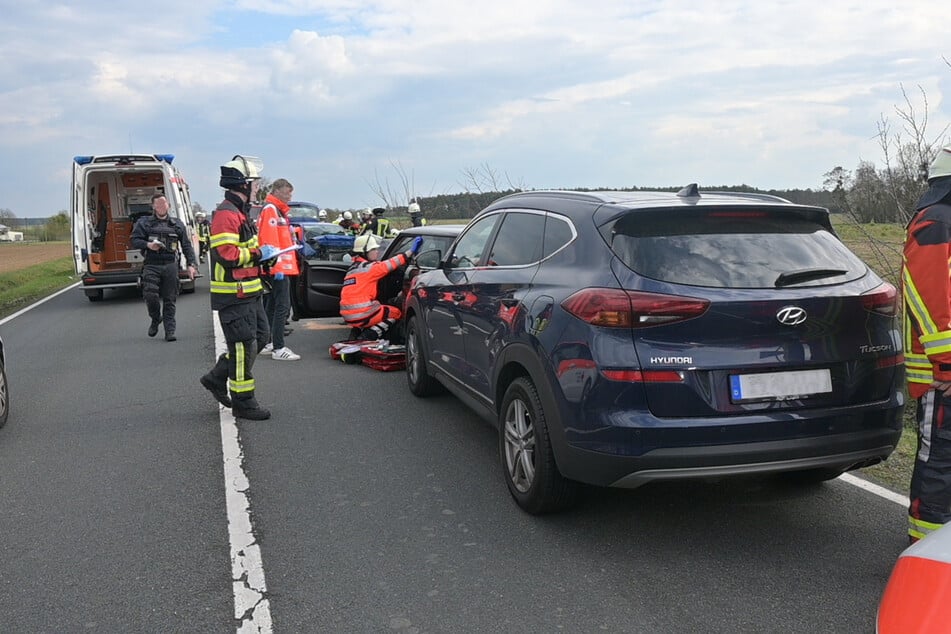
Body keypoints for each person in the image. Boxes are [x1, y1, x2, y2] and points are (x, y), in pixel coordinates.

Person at [199, 155, 277, 421]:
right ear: (242, 184)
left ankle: (216, 377)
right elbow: (226, 253)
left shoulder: (240, 212)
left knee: (260, 338)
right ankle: (243, 402)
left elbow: (243, 249)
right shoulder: (226, 214)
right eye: (254, 182)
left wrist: (266, 259)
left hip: (250, 291)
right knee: (244, 346)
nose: (257, 186)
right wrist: (257, 254)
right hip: (233, 295)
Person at [902, 144, 951, 543]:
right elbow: (928, 296)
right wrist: (947, 364)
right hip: (943, 376)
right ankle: (927, 554)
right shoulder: (936, 222)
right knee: (941, 462)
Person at [130, 193, 198, 342]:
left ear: (169, 205)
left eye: (164, 204)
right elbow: (134, 240)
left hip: (170, 265)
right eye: (158, 204)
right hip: (151, 264)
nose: (161, 207)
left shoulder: (177, 224)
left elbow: (186, 245)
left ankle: (170, 331)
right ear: (153, 206)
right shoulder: (144, 223)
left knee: (170, 299)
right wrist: (148, 245)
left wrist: (192, 265)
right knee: (150, 295)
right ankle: (155, 318)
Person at [340, 233, 423, 341]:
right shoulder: (371, 268)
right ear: (364, 252)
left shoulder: (353, 269)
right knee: (395, 313)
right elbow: (390, 264)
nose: (376, 251)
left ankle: (357, 332)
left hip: (348, 315)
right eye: (373, 249)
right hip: (361, 313)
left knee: (378, 306)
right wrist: (410, 252)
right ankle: (369, 335)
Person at [257, 178, 301, 361]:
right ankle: (278, 347)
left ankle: (268, 342)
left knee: (272, 306)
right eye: (287, 193)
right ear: (276, 191)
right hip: (278, 267)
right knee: (282, 306)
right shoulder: (271, 210)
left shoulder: (277, 211)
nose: (289, 197)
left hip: (278, 266)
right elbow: (269, 240)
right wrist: (274, 265)